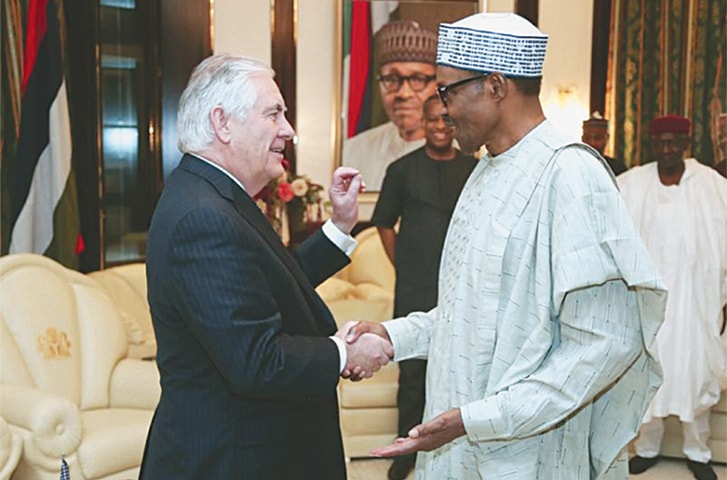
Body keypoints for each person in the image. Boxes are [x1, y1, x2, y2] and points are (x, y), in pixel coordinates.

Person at [347, 13, 667, 479]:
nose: (440, 109)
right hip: (460, 439)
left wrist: (478, 419)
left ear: (496, 86)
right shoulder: (485, 171)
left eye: (448, 91)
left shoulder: (571, 176)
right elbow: (473, 313)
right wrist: (394, 336)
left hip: (529, 454)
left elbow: (604, 342)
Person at [138, 54, 393, 480]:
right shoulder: (205, 216)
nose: (288, 130)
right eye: (274, 113)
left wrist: (340, 226)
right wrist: (344, 352)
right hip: (234, 461)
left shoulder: (213, 197)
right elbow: (257, 361)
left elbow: (269, 281)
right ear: (222, 123)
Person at [371, 94, 477, 480]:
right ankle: (406, 450)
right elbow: (383, 222)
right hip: (415, 285)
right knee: (413, 373)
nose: (438, 127)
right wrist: (404, 264)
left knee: (463, 366)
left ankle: (458, 447)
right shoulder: (401, 169)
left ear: (453, 123)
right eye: (432, 120)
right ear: (423, 122)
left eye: (446, 121)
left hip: (464, 286)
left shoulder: (474, 168)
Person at [618, 114, 727, 480]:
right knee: (651, 375)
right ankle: (646, 448)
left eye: (673, 143)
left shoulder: (711, 185)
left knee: (695, 375)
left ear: (685, 145)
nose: (667, 150)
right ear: (652, 144)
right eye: (660, 143)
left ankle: (698, 453)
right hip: (649, 307)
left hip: (696, 302)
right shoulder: (632, 183)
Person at [343, 20, 438, 191]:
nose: (404, 93)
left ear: (438, 85)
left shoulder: (463, 151)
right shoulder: (354, 150)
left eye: (417, 79)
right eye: (392, 80)